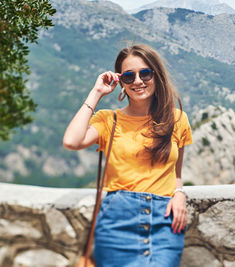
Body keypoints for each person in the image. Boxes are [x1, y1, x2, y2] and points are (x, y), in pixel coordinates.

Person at [63, 44, 192, 266]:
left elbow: (176, 173)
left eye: (145, 73)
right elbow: (71, 141)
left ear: (156, 75)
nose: (138, 81)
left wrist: (179, 193)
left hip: (165, 222)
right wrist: (96, 93)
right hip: (116, 222)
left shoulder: (177, 119)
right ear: (121, 82)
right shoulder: (108, 120)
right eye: (129, 76)